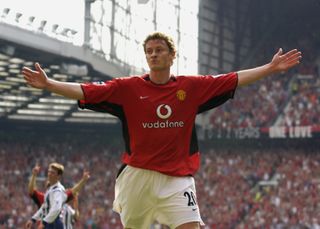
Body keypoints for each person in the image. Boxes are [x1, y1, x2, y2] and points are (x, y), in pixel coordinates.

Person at [22, 32, 302, 229]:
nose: (153, 55)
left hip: (177, 178)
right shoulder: (127, 88)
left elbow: (233, 80)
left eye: (159, 50)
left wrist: (269, 67)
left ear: (171, 55)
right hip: (137, 177)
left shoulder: (191, 87)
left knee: (191, 226)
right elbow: (86, 91)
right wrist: (50, 85)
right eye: (149, 52)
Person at [25, 163, 67, 229]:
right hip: (50, 222)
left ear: (58, 176)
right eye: (49, 171)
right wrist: (33, 219)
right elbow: (45, 207)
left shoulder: (58, 190)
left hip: (54, 224)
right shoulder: (51, 189)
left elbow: (56, 209)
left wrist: (44, 222)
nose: (49, 174)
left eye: (53, 173)